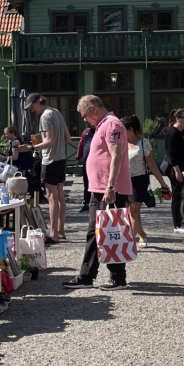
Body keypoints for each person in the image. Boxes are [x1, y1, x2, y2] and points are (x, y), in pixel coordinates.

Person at [64, 96, 133, 290]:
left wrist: (110, 187)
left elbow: (116, 156)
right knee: (94, 233)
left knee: (111, 232)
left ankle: (118, 277)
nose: (84, 119)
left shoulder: (112, 124)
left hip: (109, 189)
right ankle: (86, 275)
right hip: (98, 189)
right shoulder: (103, 125)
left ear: (93, 109)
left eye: (84, 115)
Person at [27, 93, 70, 243]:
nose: (32, 109)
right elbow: (68, 138)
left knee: (51, 197)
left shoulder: (45, 116)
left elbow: (49, 141)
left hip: (50, 160)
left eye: (32, 106)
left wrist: (33, 147)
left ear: (39, 102)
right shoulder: (57, 112)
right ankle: (61, 230)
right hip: (61, 158)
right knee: (60, 195)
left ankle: (53, 233)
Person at [123, 115, 166, 249]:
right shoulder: (119, 142)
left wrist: (162, 182)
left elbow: (152, 165)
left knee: (134, 211)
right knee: (126, 212)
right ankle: (142, 234)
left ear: (130, 129)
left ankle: (129, 243)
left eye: (122, 128)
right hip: (123, 180)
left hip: (139, 180)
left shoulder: (143, 143)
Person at [163, 107, 184, 232]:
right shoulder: (172, 133)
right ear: (177, 118)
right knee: (177, 196)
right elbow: (171, 154)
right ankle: (177, 224)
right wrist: (177, 171)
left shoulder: (183, 132)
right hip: (177, 170)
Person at [76, 124, 95, 214]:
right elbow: (81, 144)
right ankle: (86, 203)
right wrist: (78, 157)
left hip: (97, 163)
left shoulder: (100, 131)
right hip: (86, 162)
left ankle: (98, 203)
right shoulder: (85, 132)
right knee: (86, 184)